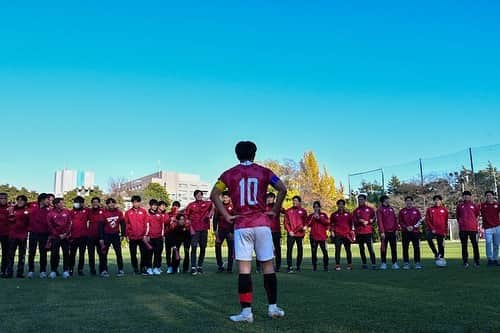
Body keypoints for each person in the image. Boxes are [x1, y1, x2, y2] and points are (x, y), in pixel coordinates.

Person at [211, 141, 287, 323]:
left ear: (237, 154)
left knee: (244, 269)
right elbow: (282, 189)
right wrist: (275, 210)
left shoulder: (228, 174)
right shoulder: (264, 171)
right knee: (267, 266)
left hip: (242, 224)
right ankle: (273, 308)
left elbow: (214, 194)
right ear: (254, 154)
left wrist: (226, 216)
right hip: (262, 224)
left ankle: (246, 313)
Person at [185, 190, 214, 275]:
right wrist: (190, 227)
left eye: (200, 195)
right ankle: (193, 267)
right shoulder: (191, 205)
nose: (199, 196)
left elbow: (214, 204)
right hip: (195, 229)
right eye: (197, 195)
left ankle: (200, 266)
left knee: (203, 248)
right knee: (193, 247)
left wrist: (210, 214)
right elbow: (186, 217)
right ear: (194, 196)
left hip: (204, 229)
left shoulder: (207, 203)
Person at [257, 193, 283, 273]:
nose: (269, 199)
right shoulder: (263, 206)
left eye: (271, 198)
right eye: (268, 197)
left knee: (277, 249)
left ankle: (278, 266)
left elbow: (287, 212)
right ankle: (259, 267)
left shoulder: (277, 206)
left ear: (274, 198)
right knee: (261, 248)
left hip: (276, 231)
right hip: (264, 230)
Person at [27, 193, 51, 279]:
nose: (48, 201)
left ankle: (43, 271)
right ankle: (30, 271)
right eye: (47, 199)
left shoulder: (49, 210)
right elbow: (20, 205)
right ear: (42, 200)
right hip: (33, 233)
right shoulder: (32, 205)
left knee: (43, 253)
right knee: (31, 252)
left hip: (44, 234)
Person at [99, 198, 125, 277]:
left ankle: (120, 270)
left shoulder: (119, 212)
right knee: (104, 254)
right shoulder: (104, 213)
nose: (111, 204)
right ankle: (104, 270)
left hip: (116, 235)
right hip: (106, 235)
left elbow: (123, 224)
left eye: (112, 203)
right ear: (107, 204)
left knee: (118, 253)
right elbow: (101, 226)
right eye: (109, 203)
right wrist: (101, 238)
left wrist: (123, 234)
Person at [5, 195, 30, 278]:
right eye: (18, 200)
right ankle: (9, 272)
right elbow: (9, 221)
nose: (20, 202)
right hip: (12, 235)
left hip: (22, 235)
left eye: (22, 200)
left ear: (25, 202)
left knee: (22, 255)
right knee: (10, 255)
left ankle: (20, 272)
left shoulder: (27, 210)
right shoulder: (12, 209)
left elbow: (28, 223)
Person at [47, 198, 72, 279]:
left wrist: (65, 234)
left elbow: (69, 224)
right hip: (55, 237)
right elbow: (50, 226)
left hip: (65, 237)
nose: (62, 204)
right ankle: (53, 271)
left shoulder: (66, 212)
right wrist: (58, 234)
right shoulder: (50, 213)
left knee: (66, 254)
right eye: (61, 203)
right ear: (56, 204)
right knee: (54, 254)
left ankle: (65, 271)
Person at [456, 191, 481, 268]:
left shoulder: (474, 205)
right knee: (464, 246)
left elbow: (477, 215)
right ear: (463, 197)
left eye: (467, 196)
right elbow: (458, 216)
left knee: (475, 245)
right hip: (463, 229)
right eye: (464, 196)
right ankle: (465, 262)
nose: (466, 197)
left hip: (473, 229)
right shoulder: (460, 206)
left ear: (470, 197)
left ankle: (476, 261)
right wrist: (461, 223)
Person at [125, 195, 148, 275]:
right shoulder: (128, 212)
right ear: (132, 202)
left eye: (137, 202)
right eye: (134, 202)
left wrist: (145, 235)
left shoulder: (144, 211)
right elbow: (126, 225)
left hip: (142, 237)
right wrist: (128, 235)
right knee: (133, 254)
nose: (136, 203)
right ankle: (135, 268)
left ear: (139, 202)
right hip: (132, 237)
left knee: (144, 253)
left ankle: (142, 268)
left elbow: (146, 224)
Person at [284, 196, 308, 273]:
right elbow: (286, 223)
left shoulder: (303, 211)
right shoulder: (288, 211)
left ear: (299, 202)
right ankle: (289, 266)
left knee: (300, 250)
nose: (294, 202)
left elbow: (305, 222)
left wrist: (305, 227)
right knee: (289, 250)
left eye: (296, 201)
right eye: (293, 200)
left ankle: (298, 266)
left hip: (300, 234)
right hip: (291, 234)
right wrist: (289, 231)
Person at [353, 194, 377, 270]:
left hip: (368, 232)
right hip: (359, 232)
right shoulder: (356, 210)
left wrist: (369, 221)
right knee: (361, 249)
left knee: (371, 248)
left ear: (365, 200)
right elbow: (354, 220)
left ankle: (373, 264)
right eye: (359, 199)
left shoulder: (370, 209)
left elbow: (374, 219)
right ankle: (364, 263)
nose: (360, 201)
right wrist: (360, 221)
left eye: (362, 199)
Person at [398, 196, 423, 270]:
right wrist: (406, 227)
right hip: (405, 232)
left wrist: (414, 227)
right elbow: (400, 221)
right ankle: (406, 263)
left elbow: (419, 221)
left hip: (415, 232)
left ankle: (417, 263)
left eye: (410, 201)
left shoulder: (416, 210)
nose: (408, 202)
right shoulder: (402, 211)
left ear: (412, 202)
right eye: (407, 201)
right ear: (405, 202)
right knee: (405, 248)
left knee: (416, 247)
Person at [214, 191, 235, 273]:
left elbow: (235, 220)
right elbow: (215, 219)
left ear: (230, 198)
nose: (225, 199)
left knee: (231, 250)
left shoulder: (233, 207)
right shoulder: (219, 207)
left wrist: (232, 231)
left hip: (230, 231)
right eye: (224, 197)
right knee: (217, 247)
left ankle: (230, 268)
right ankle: (220, 266)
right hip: (221, 231)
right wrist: (215, 231)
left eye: (227, 197)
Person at [377, 195, 400, 270]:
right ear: (384, 200)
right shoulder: (380, 210)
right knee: (384, 248)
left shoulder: (391, 209)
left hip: (392, 232)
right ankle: (383, 263)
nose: (388, 200)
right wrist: (382, 232)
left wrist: (396, 229)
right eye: (387, 199)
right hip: (385, 232)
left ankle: (394, 263)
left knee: (394, 248)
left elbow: (395, 220)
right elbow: (380, 221)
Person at [425, 195, 449, 267]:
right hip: (432, 230)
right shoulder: (430, 209)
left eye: (438, 200)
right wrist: (432, 229)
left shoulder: (444, 210)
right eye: (435, 200)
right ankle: (435, 253)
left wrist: (445, 231)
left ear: (441, 201)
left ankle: (441, 258)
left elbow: (446, 221)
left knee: (441, 245)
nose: (437, 201)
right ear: (433, 201)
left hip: (441, 230)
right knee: (429, 238)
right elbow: (427, 220)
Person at [330, 199, 354, 271]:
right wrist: (332, 231)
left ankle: (349, 265)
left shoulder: (348, 214)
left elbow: (351, 224)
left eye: (342, 204)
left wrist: (352, 232)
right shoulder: (334, 214)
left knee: (348, 250)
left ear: (344, 205)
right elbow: (331, 224)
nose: (340, 205)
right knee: (337, 250)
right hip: (338, 235)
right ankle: (337, 266)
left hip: (346, 235)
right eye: (339, 204)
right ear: (337, 205)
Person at [69, 196, 90, 276]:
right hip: (73, 236)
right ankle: (70, 269)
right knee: (72, 254)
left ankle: (80, 270)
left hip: (83, 236)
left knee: (82, 254)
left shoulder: (86, 211)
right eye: (75, 202)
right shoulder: (71, 212)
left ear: (82, 203)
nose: (76, 204)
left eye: (77, 202)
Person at [307, 201, 330, 272]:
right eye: (315, 207)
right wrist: (314, 218)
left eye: (317, 207)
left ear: (320, 207)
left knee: (325, 253)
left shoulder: (324, 215)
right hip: (313, 237)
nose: (316, 208)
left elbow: (327, 222)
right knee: (314, 253)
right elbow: (308, 224)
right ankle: (314, 267)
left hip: (322, 237)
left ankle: (326, 267)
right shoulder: (311, 216)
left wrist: (319, 218)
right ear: (313, 208)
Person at [145, 199, 165, 276]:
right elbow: (147, 226)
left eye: (156, 205)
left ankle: (156, 268)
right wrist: (147, 235)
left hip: (158, 237)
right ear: (150, 205)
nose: (154, 206)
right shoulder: (147, 215)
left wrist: (162, 235)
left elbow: (162, 226)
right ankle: (149, 268)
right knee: (150, 254)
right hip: (150, 237)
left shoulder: (159, 215)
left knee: (157, 254)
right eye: (153, 205)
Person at [481, 191, 500, 266]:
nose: (489, 197)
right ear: (485, 197)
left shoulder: (497, 205)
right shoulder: (482, 205)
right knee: (488, 244)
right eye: (487, 195)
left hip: (497, 227)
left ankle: (495, 259)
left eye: (490, 195)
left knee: (496, 244)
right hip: (487, 228)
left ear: (493, 196)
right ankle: (490, 259)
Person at [87, 197, 105, 276]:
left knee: (101, 254)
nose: (95, 203)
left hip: (100, 237)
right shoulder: (88, 211)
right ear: (92, 203)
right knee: (91, 254)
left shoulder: (103, 211)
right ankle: (92, 270)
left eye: (97, 202)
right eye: (94, 202)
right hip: (90, 236)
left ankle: (102, 270)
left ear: (99, 203)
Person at [159, 201, 173, 274]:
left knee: (168, 252)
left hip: (167, 235)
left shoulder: (166, 214)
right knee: (158, 252)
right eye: (162, 205)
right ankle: (158, 266)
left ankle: (169, 267)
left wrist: (170, 220)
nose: (163, 207)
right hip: (158, 235)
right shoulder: (156, 214)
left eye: (164, 205)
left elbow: (167, 222)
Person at [0, 193, 11, 277]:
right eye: (1, 198)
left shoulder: (10, 208)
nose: (3, 200)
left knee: (5, 253)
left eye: (4, 198)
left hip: (6, 234)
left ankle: (4, 270)